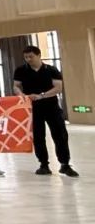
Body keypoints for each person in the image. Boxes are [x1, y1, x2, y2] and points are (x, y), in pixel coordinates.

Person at [13, 45, 79, 177]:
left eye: (31, 56)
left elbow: (58, 88)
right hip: (32, 108)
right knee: (38, 136)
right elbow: (16, 86)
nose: (28, 59)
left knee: (60, 135)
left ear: (39, 55)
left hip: (51, 106)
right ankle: (43, 164)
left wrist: (41, 95)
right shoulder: (21, 70)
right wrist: (22, 95)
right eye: (26, 57)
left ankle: (65, 164)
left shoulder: (51, 70)